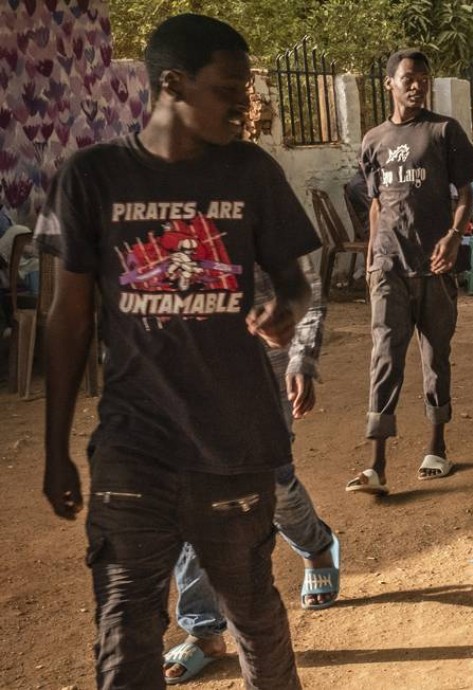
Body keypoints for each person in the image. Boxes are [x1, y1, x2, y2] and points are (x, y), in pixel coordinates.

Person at [36, 14, 316, 687]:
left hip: (236, 445)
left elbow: (296, 284)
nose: (244, 106)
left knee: (252, 613)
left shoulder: (252, 172)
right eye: (228, 90)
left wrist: (287, 312)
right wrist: (53, 450)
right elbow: (68, 319)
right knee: (125, 629)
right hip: (135, 447)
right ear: (172, 83)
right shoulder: (91, 178)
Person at [161, 265, 338, 684]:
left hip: (265, 379)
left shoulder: (257, 204)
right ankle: (204, 630)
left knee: (273, 484)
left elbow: (307, 290)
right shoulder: (152, 213)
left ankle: (316, 546)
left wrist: (302, 357)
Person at [346, 48, 473, 496]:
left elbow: (465, 193)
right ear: (390, 83)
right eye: (408, 77)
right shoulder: (373, 141)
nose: (416, 84)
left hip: (434, 265)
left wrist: (455, 235)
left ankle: (436, 447)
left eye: (423, 77)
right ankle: (375, 463)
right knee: (385, 355)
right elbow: (376, 204)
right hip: (388, 265)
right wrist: (370, 259)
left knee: (434, 356)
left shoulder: (444, 131)